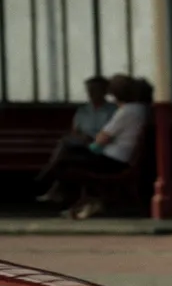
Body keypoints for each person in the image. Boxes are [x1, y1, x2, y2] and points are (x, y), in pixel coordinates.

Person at [50, 74, 153, 219]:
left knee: (66, 158)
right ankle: (64, 191)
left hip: (113, 160)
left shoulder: (126, 111)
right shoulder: (142, 109)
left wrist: (92, 144)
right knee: (68, 152)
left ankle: (69, 195)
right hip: (122, 157)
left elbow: (102, 138)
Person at [36, 74, 115, 203]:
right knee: (66, 146)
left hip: (101, 148)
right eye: (89, 90)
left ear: (104, 91)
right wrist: (81, 137)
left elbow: (112, 132)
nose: (91, 93)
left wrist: (93, 138)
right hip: (82, 145)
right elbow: (75, 130)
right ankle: (53, 183)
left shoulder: (112, 110)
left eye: (95, 90)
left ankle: (49, 177)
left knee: (65, 153)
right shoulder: (83, 110)